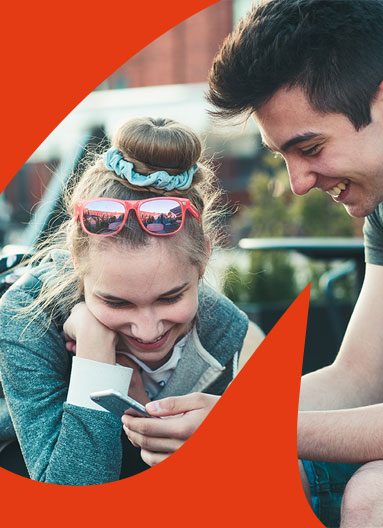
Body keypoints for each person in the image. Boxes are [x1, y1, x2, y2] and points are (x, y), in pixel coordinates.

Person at [121, 1, 383, 527]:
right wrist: (218, 419)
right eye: (284, 157)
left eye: (311, 147)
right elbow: (359, 377)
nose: (298, 181)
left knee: (382, 497)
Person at [0, 117, 263, 485]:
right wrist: (96, 359)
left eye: (171, 297)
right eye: (118, 303)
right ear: (78, 264)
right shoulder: (26, 318)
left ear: (203, 257)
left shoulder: (231, 340)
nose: (148, 329)